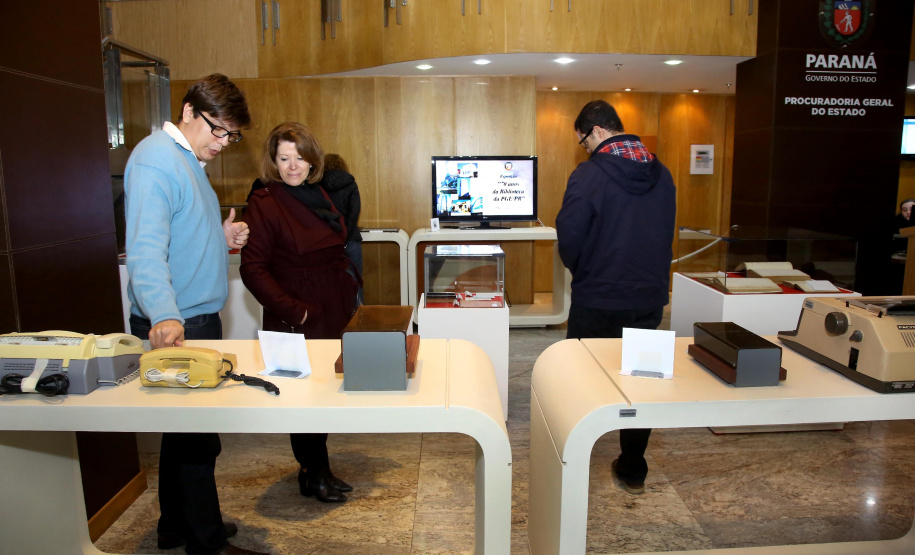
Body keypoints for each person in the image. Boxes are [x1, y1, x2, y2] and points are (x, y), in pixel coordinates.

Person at [125, 74, 267, 555]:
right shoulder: (155, 161)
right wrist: (165, 315)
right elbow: (145, 250)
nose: (223, 143)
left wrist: (221, 240)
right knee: (196, 442)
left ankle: (174, 526)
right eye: (217, 130)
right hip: (179, 323)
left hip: (195, 316)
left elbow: (180, 237)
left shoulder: (186, 160)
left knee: (182, 436)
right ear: (188, 111)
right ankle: (205, 544)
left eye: (232, 135)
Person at [556, 100, 676, 495]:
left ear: (597, 131)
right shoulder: (664, 175)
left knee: (582, 375)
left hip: (598, 295)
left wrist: (584, 272)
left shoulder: (588, 176)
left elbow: (570, 237)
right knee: (641, 382)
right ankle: (632, 465)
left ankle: (574, 452)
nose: (584, 149)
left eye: (583, 142)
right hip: (648, 295)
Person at [240, 122, 360, 503]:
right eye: (284, 158)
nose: (293, 166)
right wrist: (297, 313)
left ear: (313, 160)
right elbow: (252, 268)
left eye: (300, 157)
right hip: (299, 317)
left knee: (325, 394)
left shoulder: (319, 194)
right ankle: (311, 472)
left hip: (333, 309)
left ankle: (320, 469)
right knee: (304, 398)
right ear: (273, 162)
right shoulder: (264, 202)